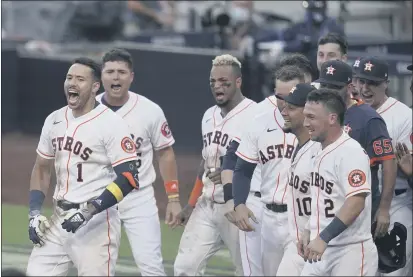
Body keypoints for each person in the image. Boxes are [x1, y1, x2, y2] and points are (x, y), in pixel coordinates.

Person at [26, 57, 139, 276]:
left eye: (80, 79)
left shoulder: (111, 124)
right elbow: (41, 167)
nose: (72, 84)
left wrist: (88, 212)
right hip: (58, 219)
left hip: (96, 223)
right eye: (69, 78)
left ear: (95, 86)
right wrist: (33, 213)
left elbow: (128, 177)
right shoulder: (54, 119)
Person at [219, 52, 314, 276]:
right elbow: (241, 167)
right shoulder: (259, 119)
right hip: (266, 213)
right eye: (278, 96)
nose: (282, 103)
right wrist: (237, 202)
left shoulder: (317, 126)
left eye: (288, 96)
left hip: (300, 216)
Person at [96, 48, 181, 276]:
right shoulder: (86, 109)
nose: (116, 77)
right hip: (97, 198)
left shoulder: (149, 111)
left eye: (122, 72)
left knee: (151, 266)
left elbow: (165, 152)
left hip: (137, 198)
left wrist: (173, 198)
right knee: (96, 266)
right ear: (101, 76)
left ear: (131, 77)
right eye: (110, 72)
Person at [174, 54, 256, 276]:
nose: (217, 86)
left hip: (239, 206)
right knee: (184, 268)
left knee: (248, 270)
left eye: (223, 82)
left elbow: (264, 163)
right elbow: (205, 163)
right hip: (207, 205)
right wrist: (191, 203)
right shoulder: (208, 116)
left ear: (238, 82)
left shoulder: (255, 115)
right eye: (213, 82)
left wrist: (234, 172)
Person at [300, 88, 378, 276]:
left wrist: (323, 237)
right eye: (305, 116)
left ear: (332, 119)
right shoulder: (317, 148)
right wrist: (307, 229)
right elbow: (324, 198)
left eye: (311, 117)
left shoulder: (350, 152)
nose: (305, 123)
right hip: (320, 248)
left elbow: (356, 202)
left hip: (349, 252)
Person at [316, 59, 397, 239]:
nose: (329, 92)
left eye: (335, 87)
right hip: (327, 201)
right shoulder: (319, 113)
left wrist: (384, 209)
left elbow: (388, 162)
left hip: (359, 204)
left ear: (350, 86)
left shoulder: (368, 118)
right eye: (325, 86)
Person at [358, 56, 412, 276]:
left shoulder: (404, 116)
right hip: (360, 206)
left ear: (386, 83)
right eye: (361, 81)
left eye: (372, 82)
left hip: (396, 205)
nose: (365, 88)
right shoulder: (351, 113)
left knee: (393, 270)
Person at [276, 83, 321, 276]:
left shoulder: (319, 151)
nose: (284, 112)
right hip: (297, 243)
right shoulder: (300, 146)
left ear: (308, 114)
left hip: (317, 245)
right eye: (285, 106)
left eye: (292, 108)